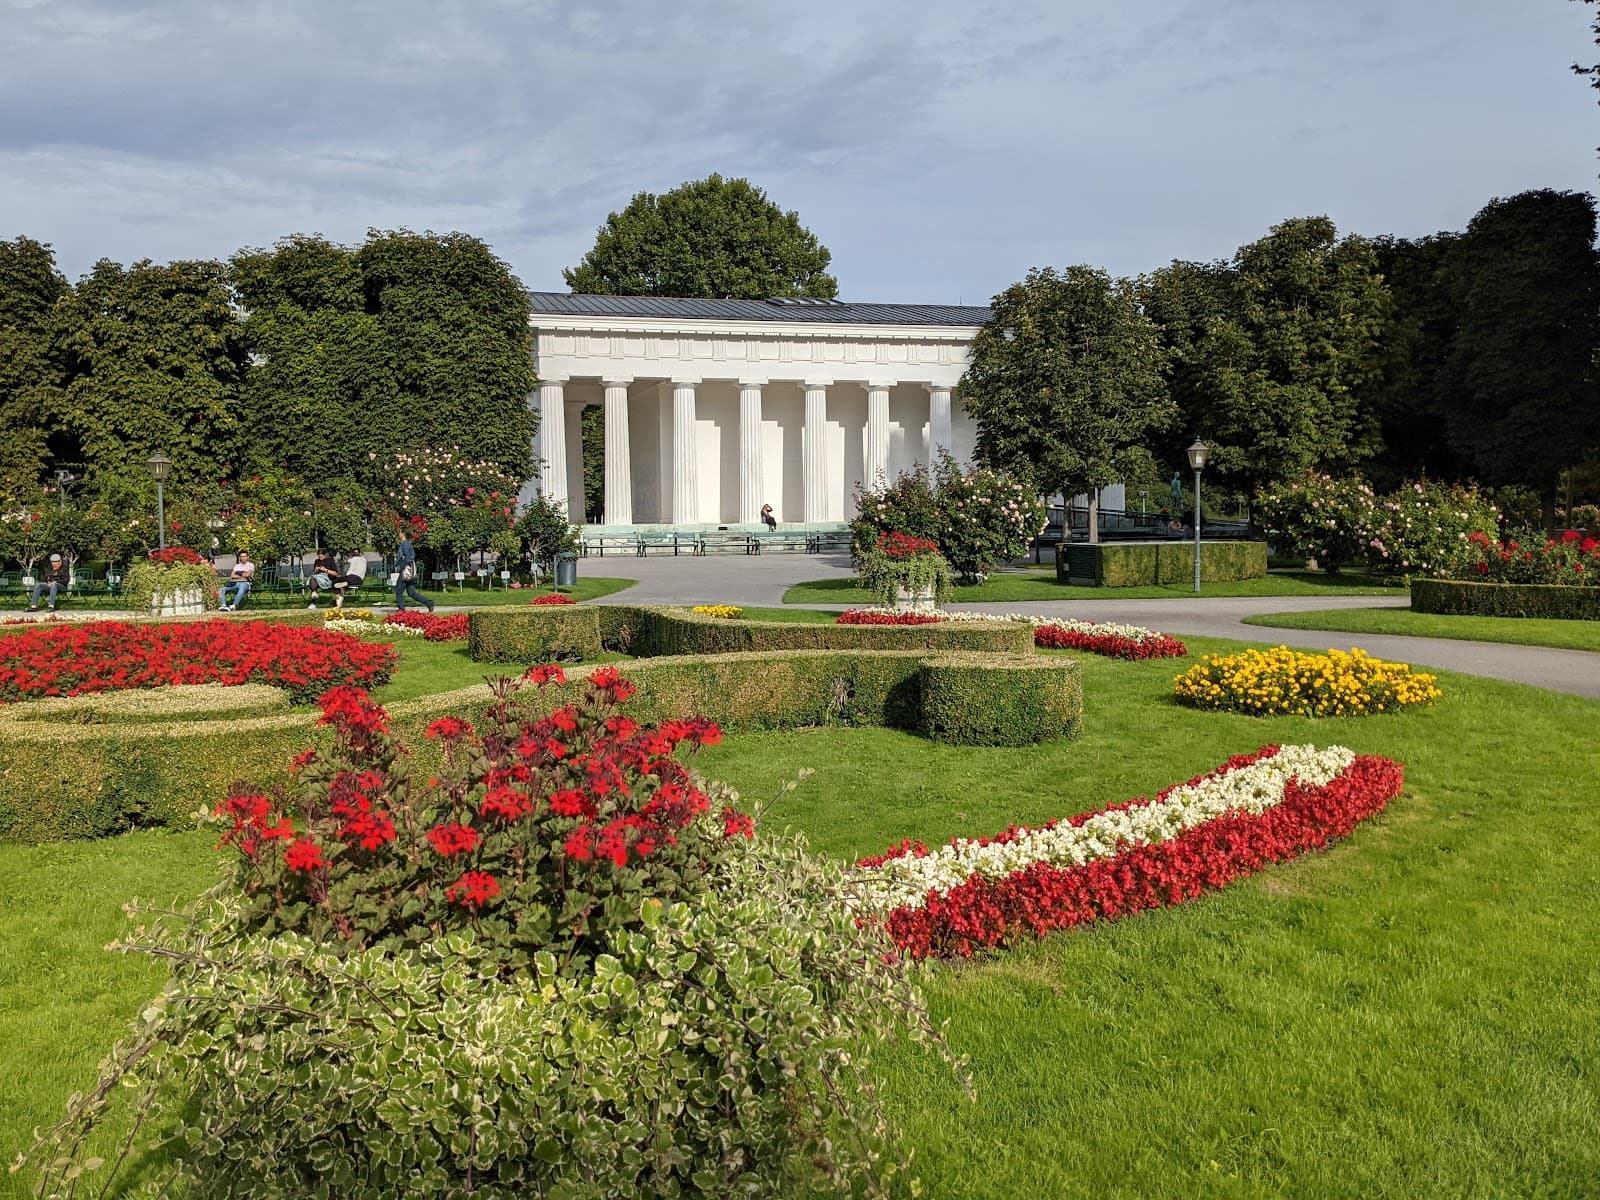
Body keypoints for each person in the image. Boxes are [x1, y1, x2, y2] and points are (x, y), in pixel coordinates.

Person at [393, 530, 434, 613]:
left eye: (400, 532)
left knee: (399, 590)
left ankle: (401, 609)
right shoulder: (406, 543)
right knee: (411, 593)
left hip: (406, 571)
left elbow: (409, 557)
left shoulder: (405, 544)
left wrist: (403, 565)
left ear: (403, 534)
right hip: (409, 571)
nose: (399, 534)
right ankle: (429, 603)